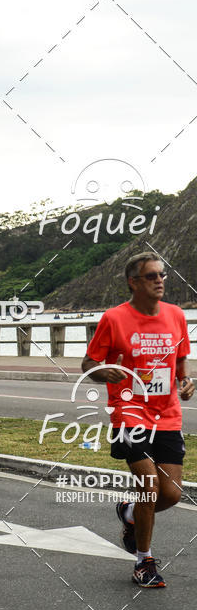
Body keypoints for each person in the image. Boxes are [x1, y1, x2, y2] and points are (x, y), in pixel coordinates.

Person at [81, 251, 194, 588]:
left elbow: (180, 367)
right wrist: (104, 372)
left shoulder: (175, 316)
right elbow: (89, 363)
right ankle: (143, 561)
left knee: (171, 494)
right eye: (151, 276)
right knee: (149, 486)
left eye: (162, 275)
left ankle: (129, 514)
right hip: (129, 414)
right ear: (133, 283)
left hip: (168, 416)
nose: (160, 280)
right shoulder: (114, 319)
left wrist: (186, 385)